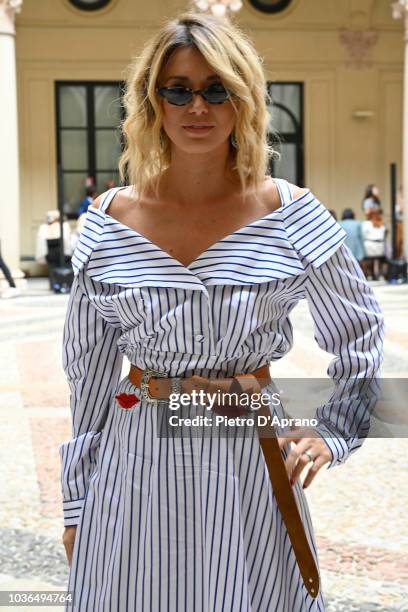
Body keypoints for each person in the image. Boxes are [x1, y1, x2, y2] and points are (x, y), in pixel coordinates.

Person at [59, 12, 384, 612]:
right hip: (136, 458)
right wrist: (78, 501)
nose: (196, 106)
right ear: (153, 101)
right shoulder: (107, 222)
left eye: (217, 89)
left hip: (246, 453)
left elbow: (361, 334)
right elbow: (87, 379)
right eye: (177, 89)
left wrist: (333, 429)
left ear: (244, 100)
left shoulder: (292, 214)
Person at [362, 208, 387, 280]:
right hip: (380, 248)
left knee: (365, 255)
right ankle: (379, 274)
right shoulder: (382, 224)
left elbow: (363, 235)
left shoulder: (366, 224)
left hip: (370, 248)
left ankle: (369, 273)